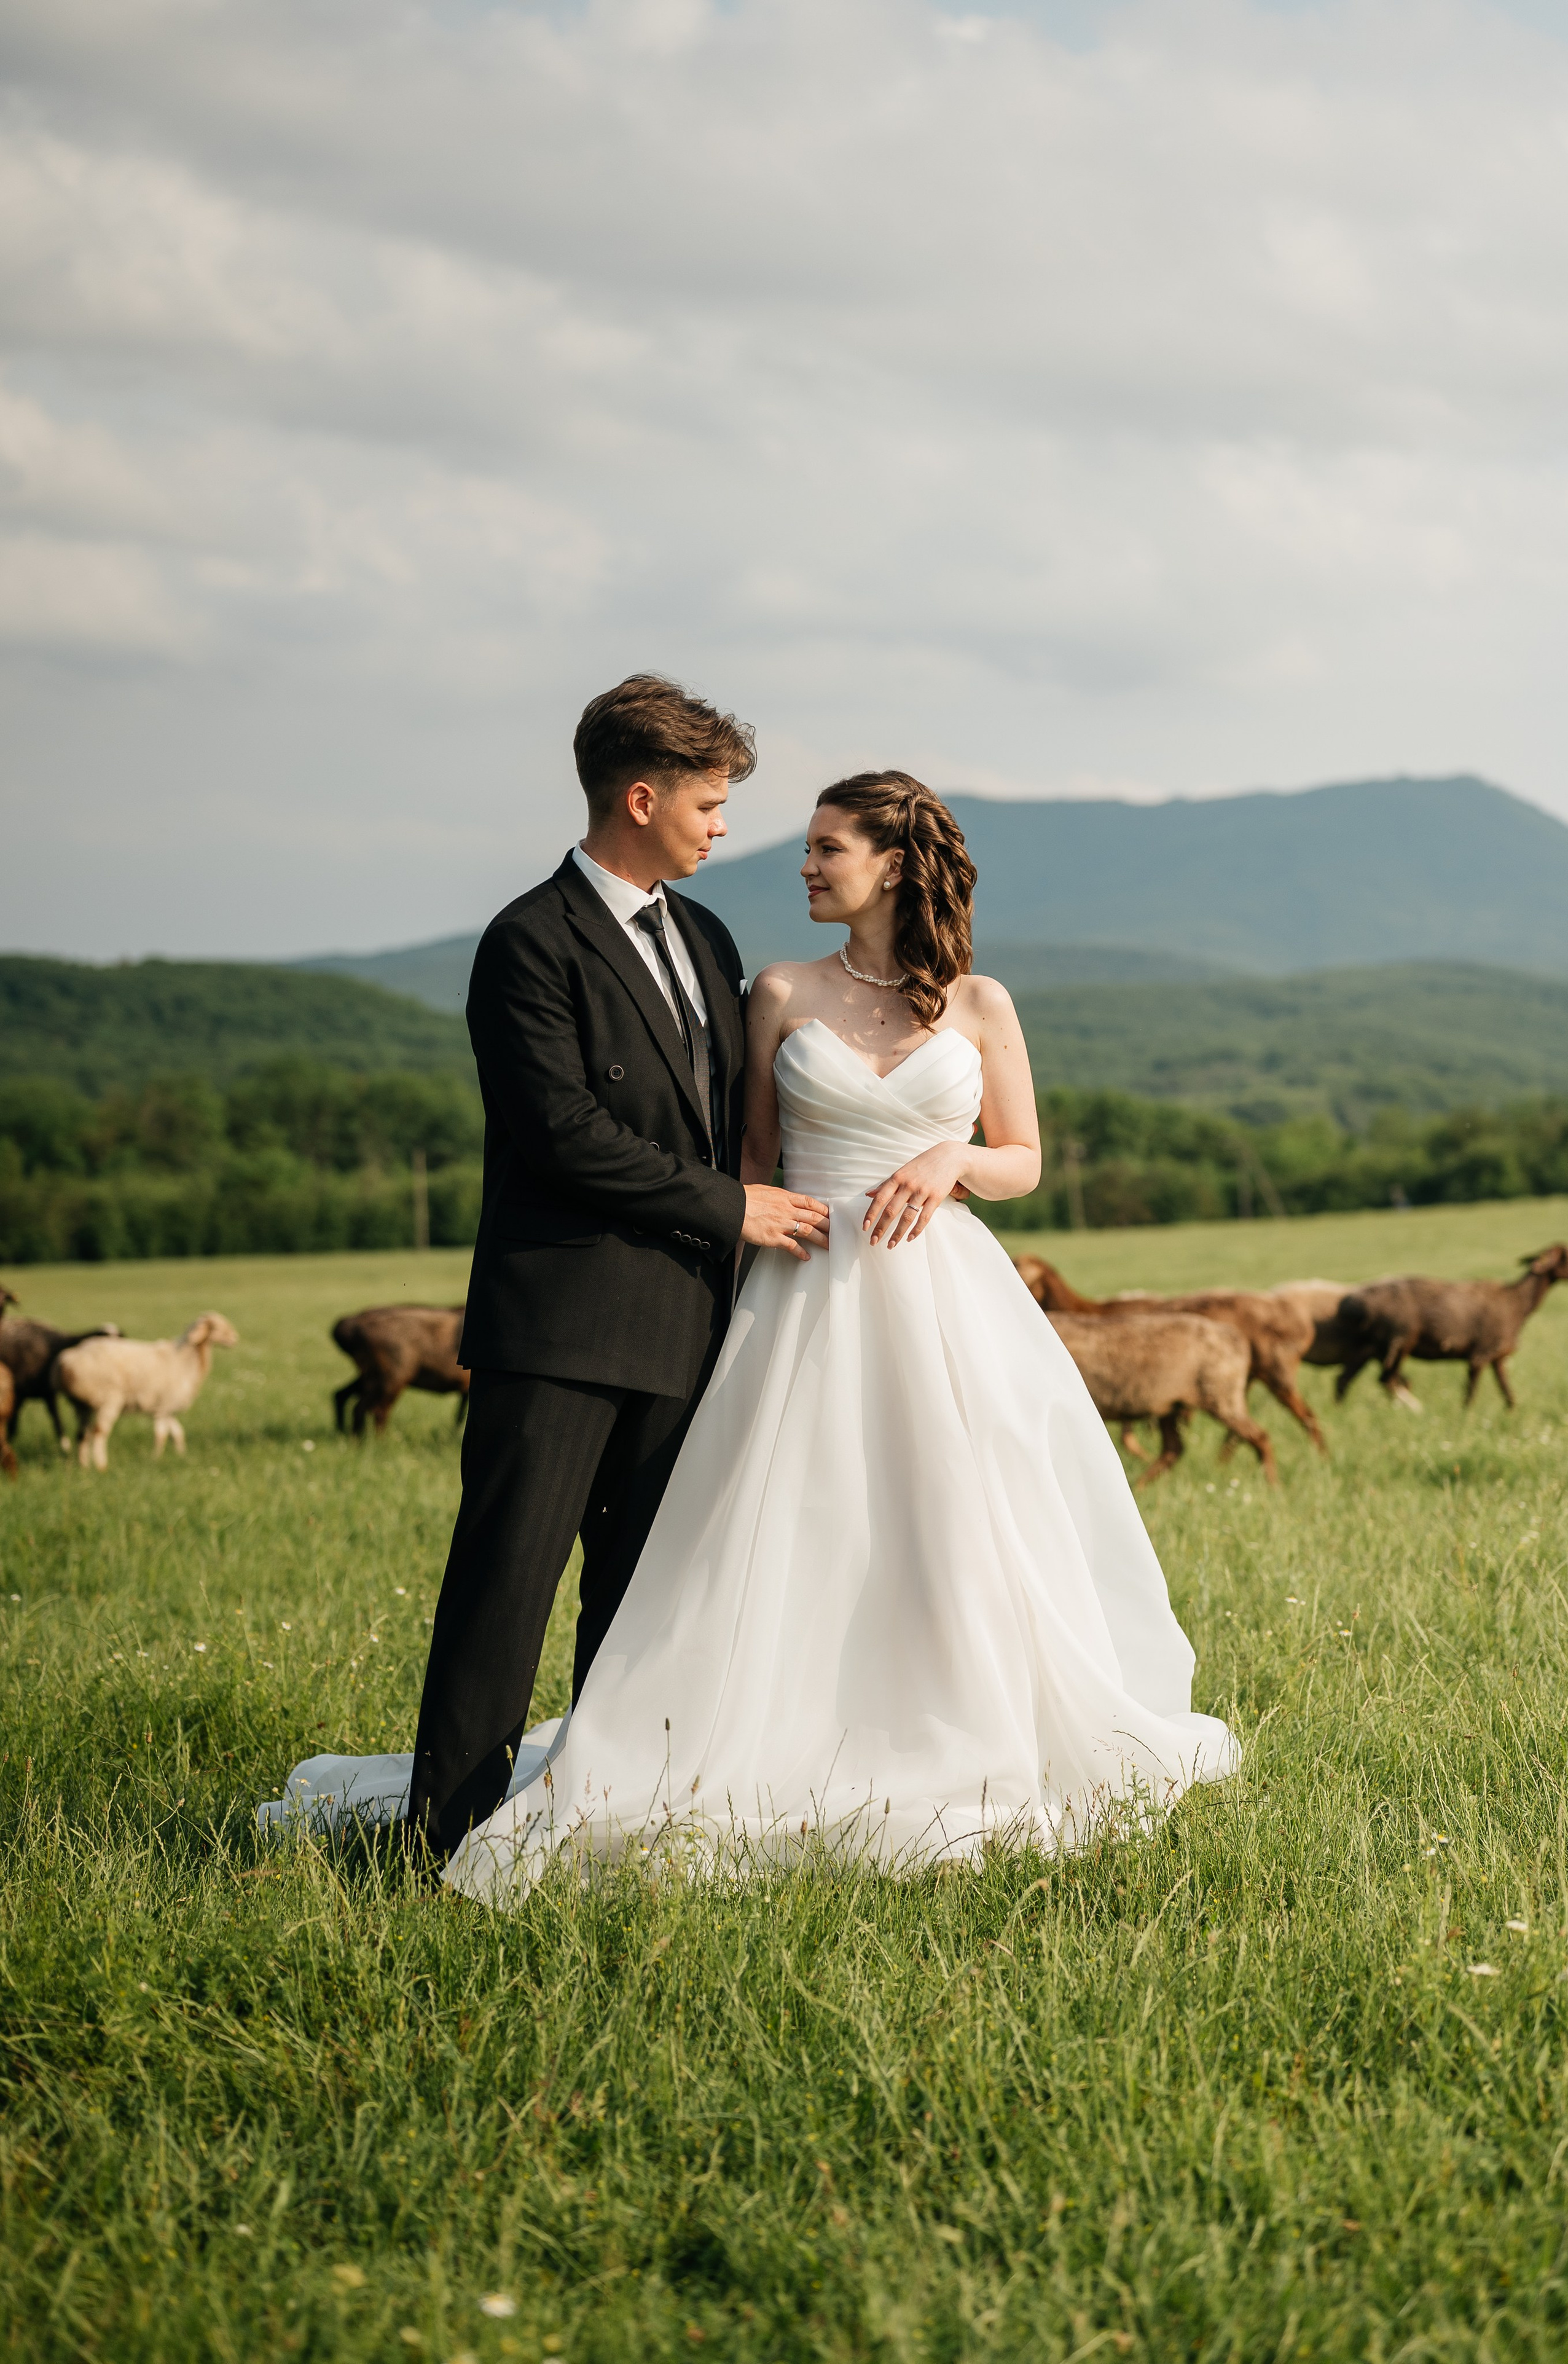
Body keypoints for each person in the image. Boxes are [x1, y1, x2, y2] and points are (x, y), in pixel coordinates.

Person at [264, 768, 1236, 1878]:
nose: (805, 864)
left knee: (958, 1523)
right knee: (789, 1523)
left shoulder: (980, 1003)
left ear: (898, 864)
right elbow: (751, 1164)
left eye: (829, 848)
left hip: (945, 1297)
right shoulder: (774, 989)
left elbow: (1025, 1159)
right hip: (804, 1293)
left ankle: (954, 1721)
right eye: (808, 847)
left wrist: (956, 1154)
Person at [399, 675, 831, 1861]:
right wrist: (731, 1207)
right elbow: (562, 1135)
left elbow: (731, 1116)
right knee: (506, 1587)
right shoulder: (528, 942)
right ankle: (440, 1842)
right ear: (641, 799)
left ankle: (593, 1824)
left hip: (687, 1321)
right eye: (710, 802)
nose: (723, 826)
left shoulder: (708, 935)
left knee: (642, 1600)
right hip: (560, 1324)